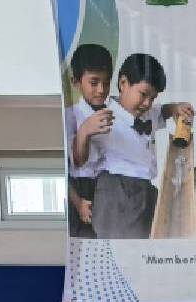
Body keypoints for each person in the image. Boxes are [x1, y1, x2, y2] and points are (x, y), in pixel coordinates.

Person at [87, 53, 195, 239]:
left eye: (152, 98)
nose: (147, 103)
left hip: (145, 190)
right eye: (144, 94)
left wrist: (176, 107)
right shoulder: (103, 116)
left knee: (149, 247)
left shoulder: (147, 114)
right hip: (118, 191)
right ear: (123, 83)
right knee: (125, 251)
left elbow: (162, 111)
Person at [65, 43, 114, 238]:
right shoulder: (70, 117)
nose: (101, 90)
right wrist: (84, 131)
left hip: (109, 188)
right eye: (94, 82)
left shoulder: (115, 112)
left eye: (106, 82)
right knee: (86, 245)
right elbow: (74, 163)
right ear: (76, 82)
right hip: (82, 190)